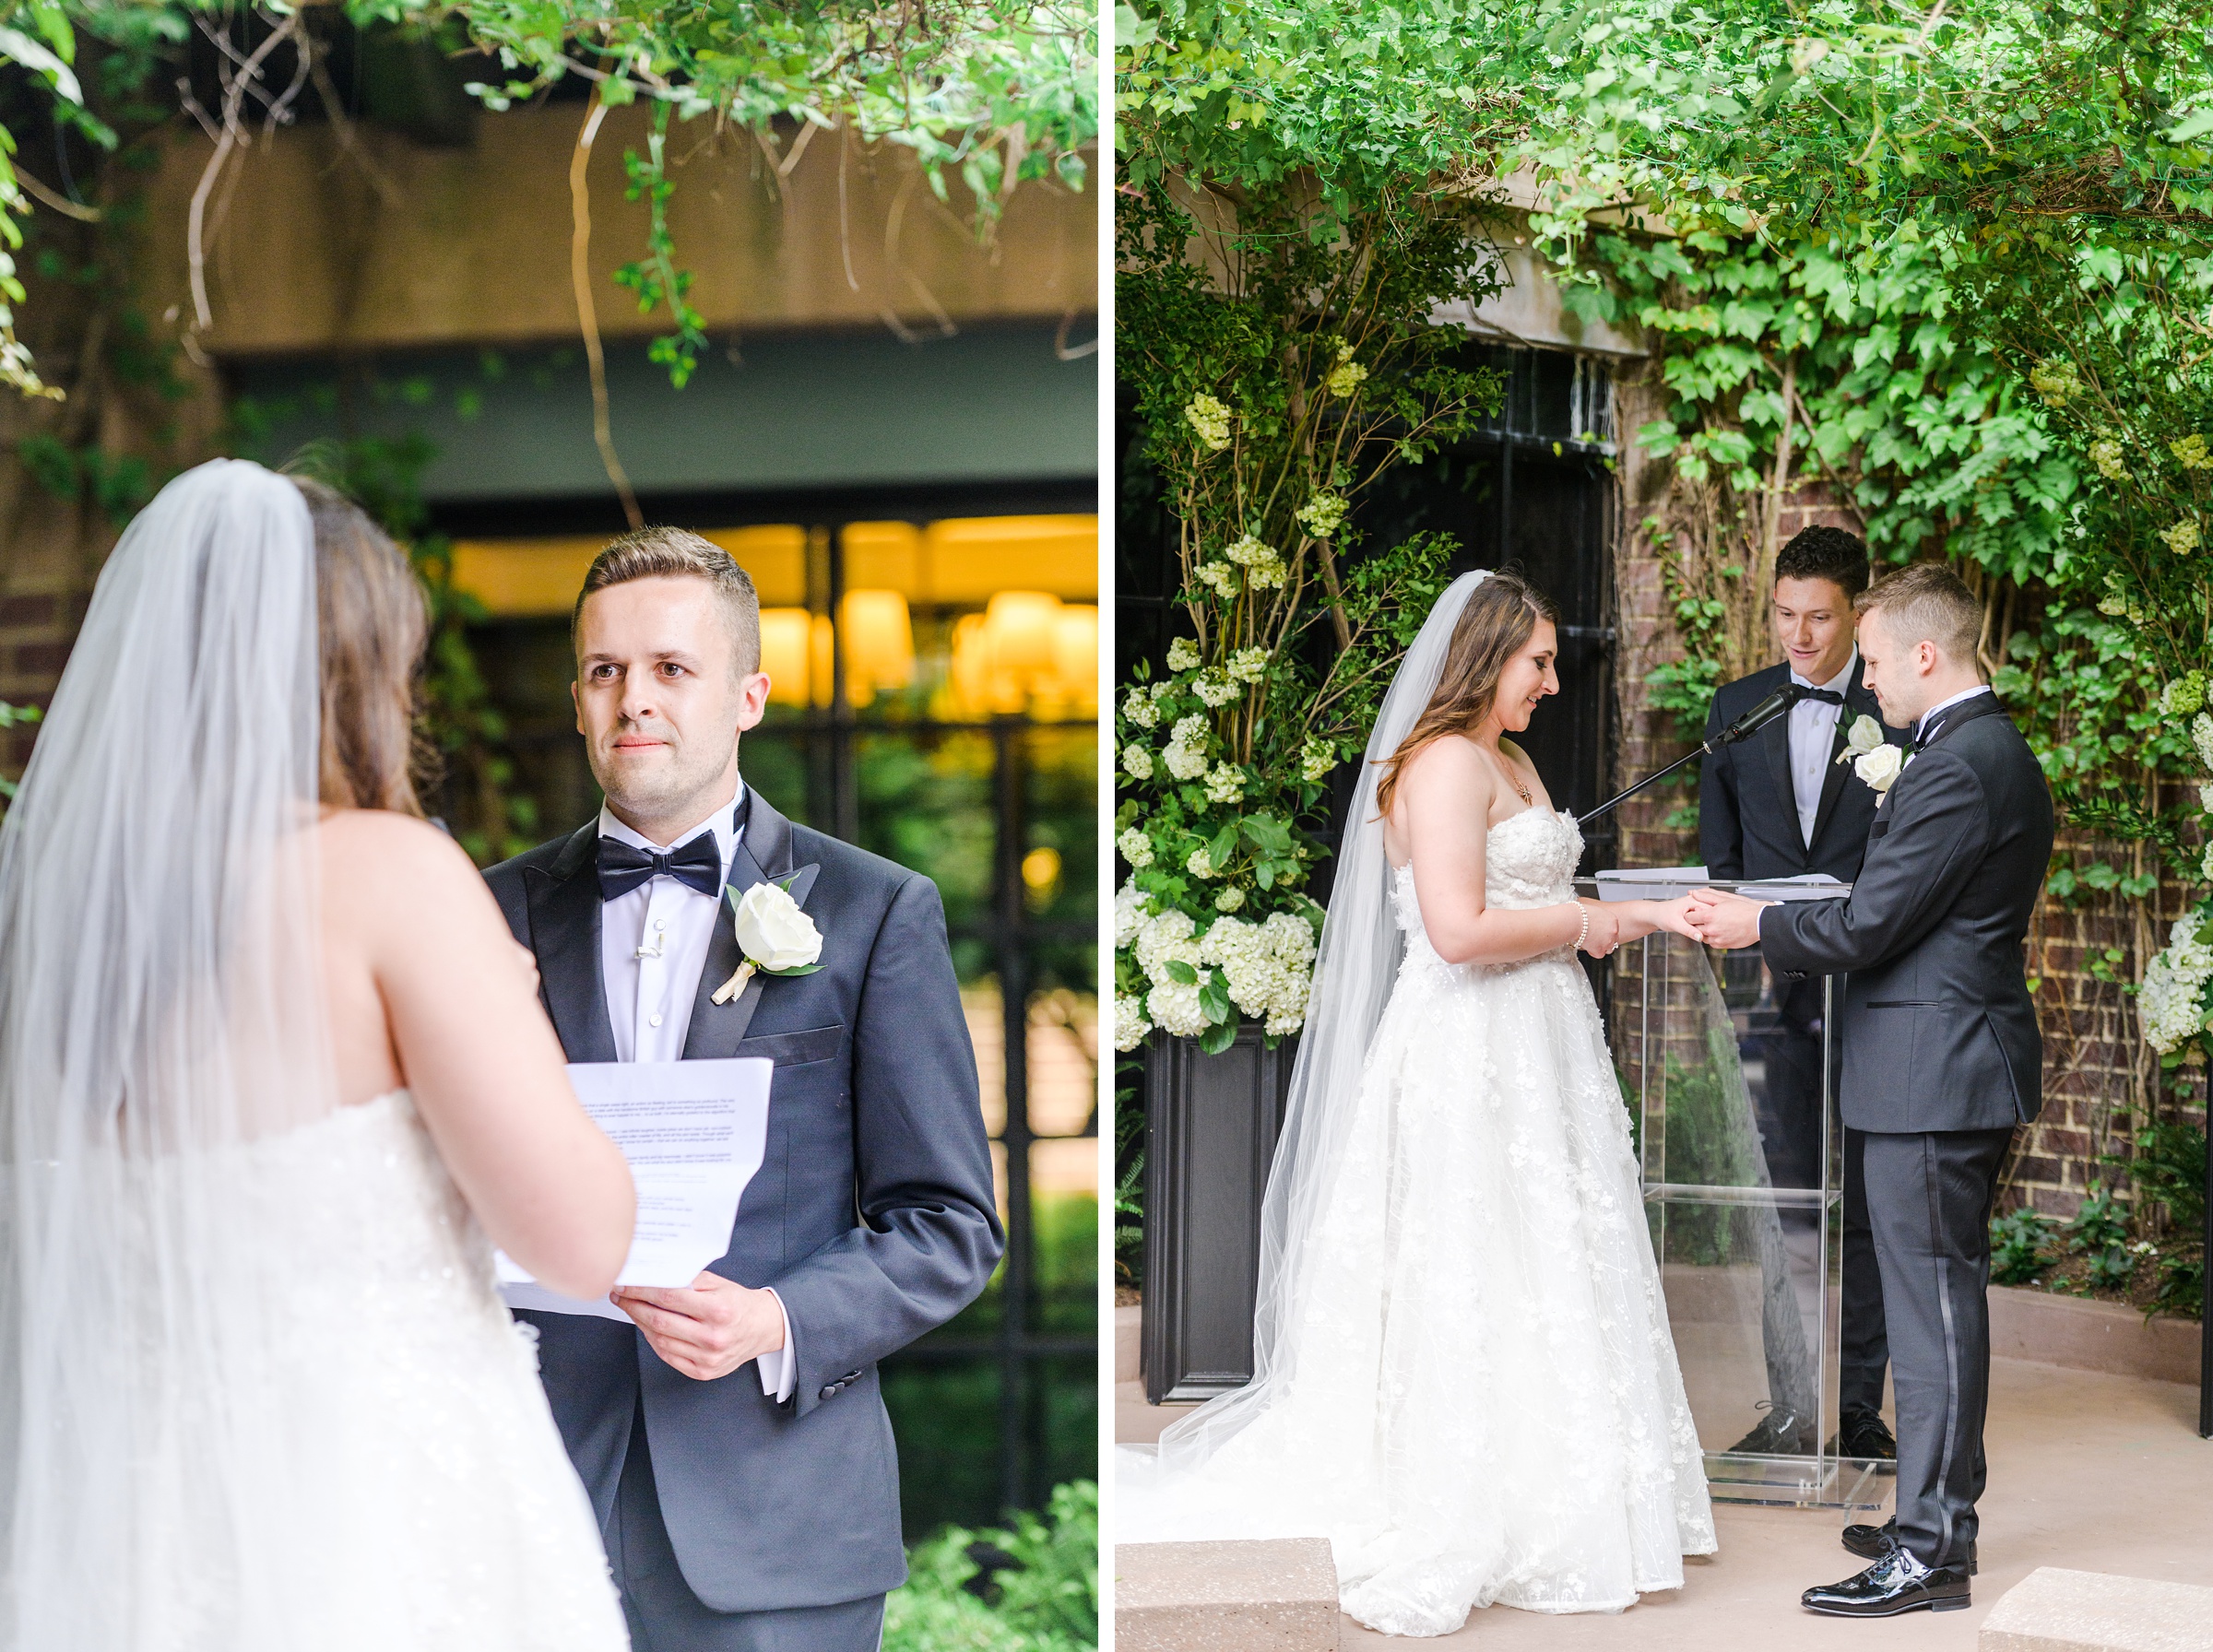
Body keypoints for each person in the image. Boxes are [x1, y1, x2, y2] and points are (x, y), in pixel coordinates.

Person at [0, 459, 638, 1649]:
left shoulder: (52, 919)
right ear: (358, 672)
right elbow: (581, 1241)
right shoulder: (388, 877)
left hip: (127, 1522)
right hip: (373, 1511)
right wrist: (515, 1013)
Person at [1118, 570, 1717, 1635]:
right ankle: (1460, 1495)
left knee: (1541, 1262)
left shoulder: (1513, 759)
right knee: (1470, 1263)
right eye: (1536, 660)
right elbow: (1457, 930)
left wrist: (1612, 917)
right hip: (1470, 1049)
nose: (1549, 681)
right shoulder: (1443, 763)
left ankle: (1552, 1490)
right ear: (1485, 657)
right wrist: (1589, 922)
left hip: (1540, 1051)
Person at [486, 528, 1003, 1652]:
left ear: (749, 696)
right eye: (604, 671)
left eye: (672, 668)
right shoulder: (484, 917)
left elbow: (951, 1224)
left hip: (774, 1522)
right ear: (578, 700)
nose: (636, 700)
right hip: (523, 1511)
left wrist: (776, 1318)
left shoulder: (875, 912)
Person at [1687, 562, 2052, 1619]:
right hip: (1931, 1067)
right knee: (1933, 1305)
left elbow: (1871, 924)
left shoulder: (1957, 765)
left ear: (1926, 655)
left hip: (1934, 1076)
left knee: (1933, 1314)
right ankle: (1931, 1515)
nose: (1871, 677)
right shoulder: (1974, 751)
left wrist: (1758, 922)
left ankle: (1934, 1548)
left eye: (1881, 658)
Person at [1698, 525, 1904, 1464]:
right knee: (1782, 1204)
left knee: (1866, 1204)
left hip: (1883, 997)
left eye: (1818, 616)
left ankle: (1859, 1407)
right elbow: (1723, 863)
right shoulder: (1735, 709)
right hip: (1777, 1003)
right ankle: (1789, 1403)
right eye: (1785, 614)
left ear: (1855, 612)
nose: (1798, 633)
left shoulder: (1900, 712)